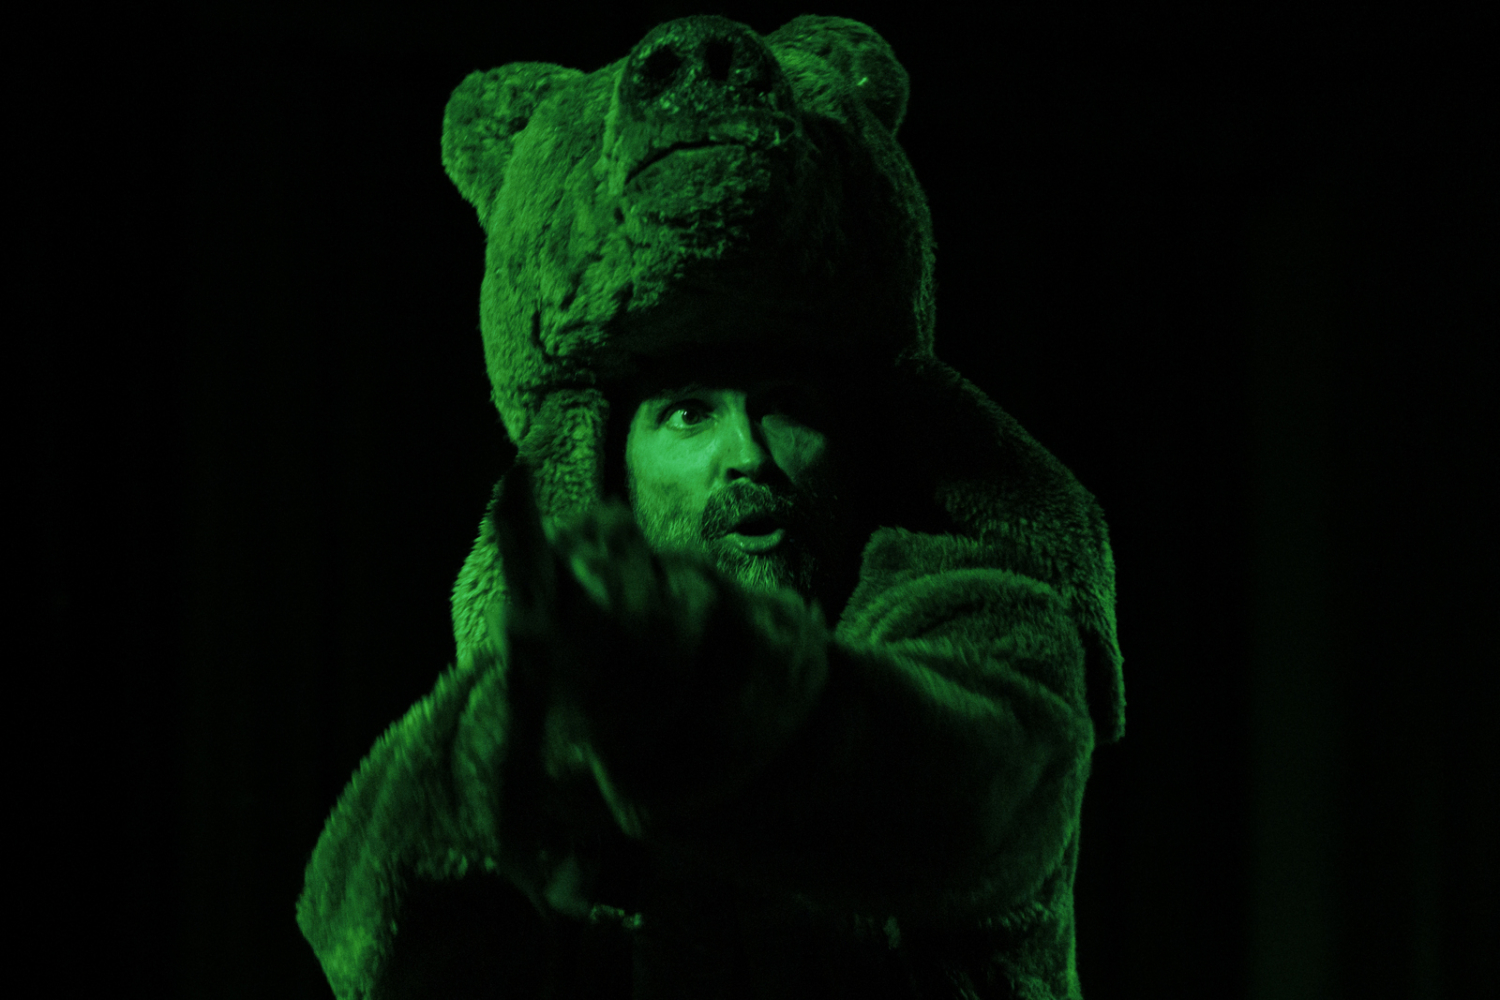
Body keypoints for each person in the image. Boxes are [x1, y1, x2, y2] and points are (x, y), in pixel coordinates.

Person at [298, 14, 1124, 1000]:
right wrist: (527, 732)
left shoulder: (986, 617)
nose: (747, 456)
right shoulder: (568, 700)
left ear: (855, 438)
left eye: (786, 408)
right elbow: (369, 932)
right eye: (689, 415)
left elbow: (961, 798)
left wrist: (704, 679)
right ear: (608, 469)